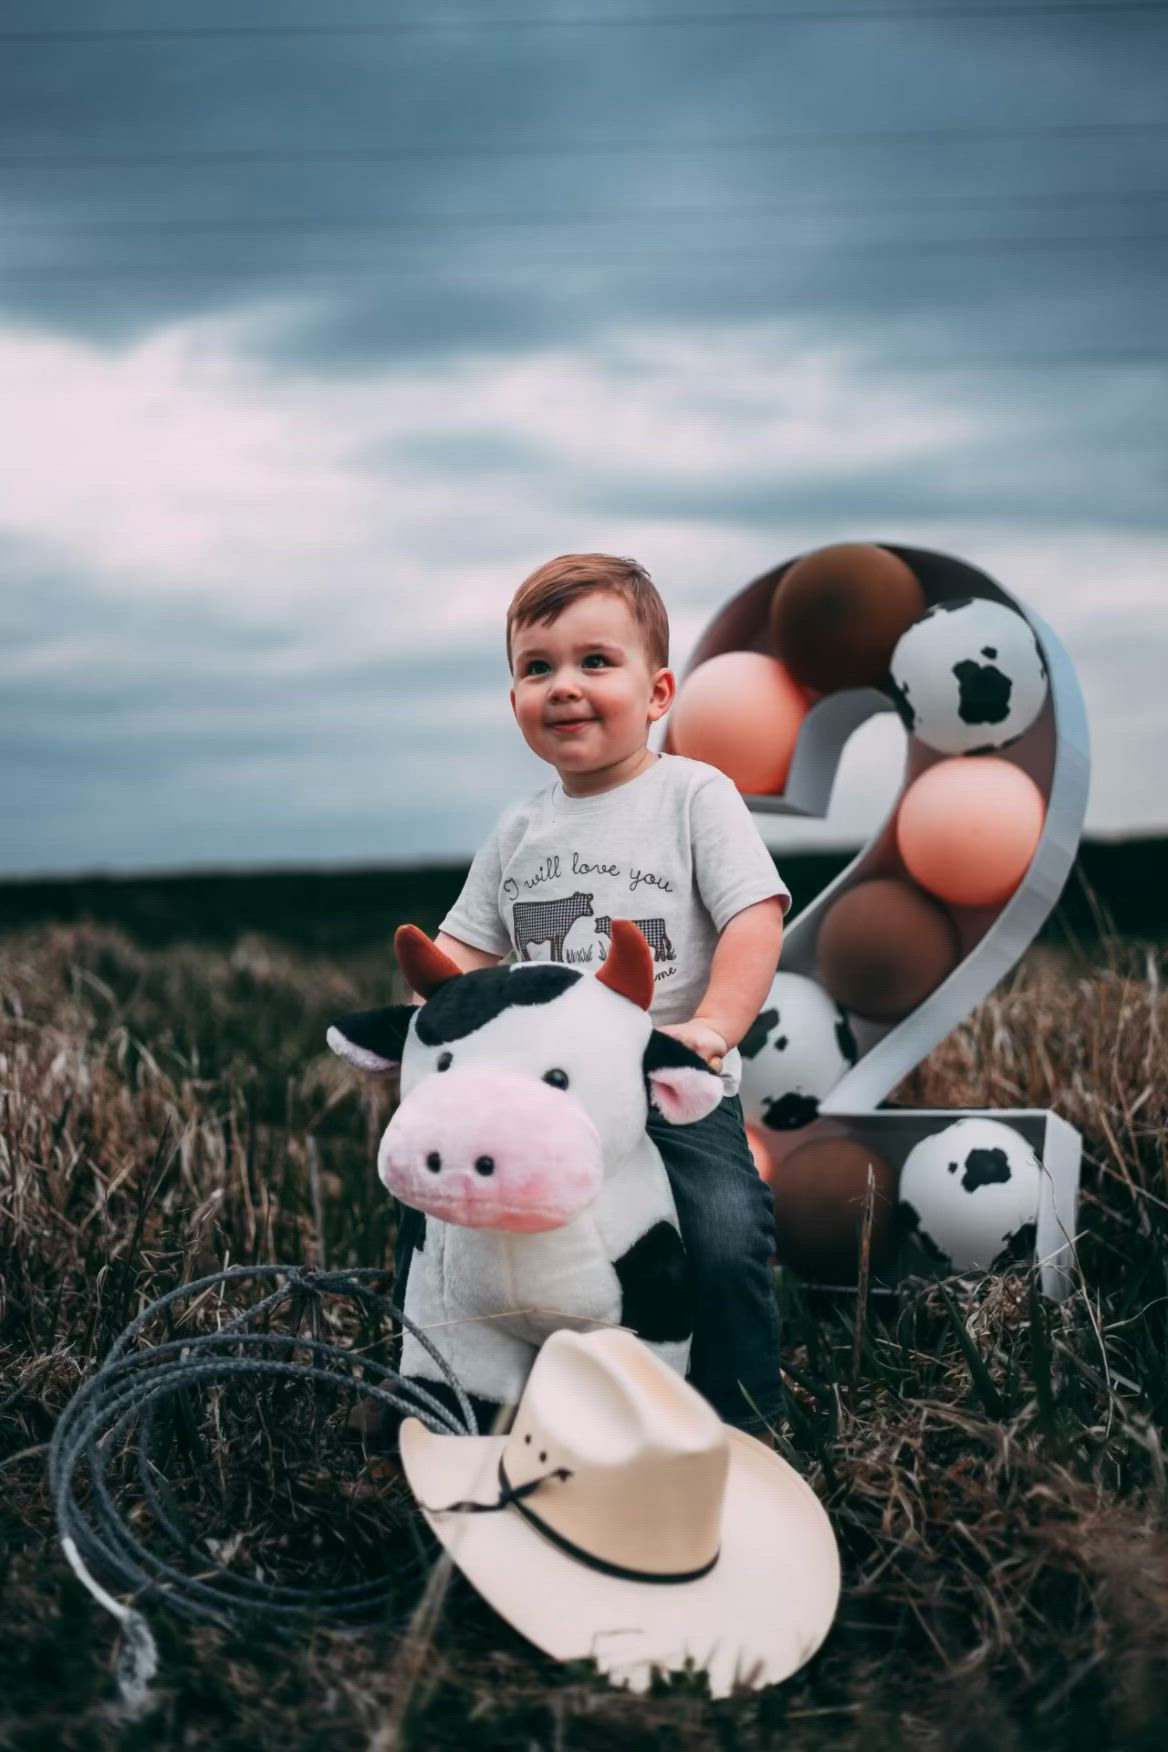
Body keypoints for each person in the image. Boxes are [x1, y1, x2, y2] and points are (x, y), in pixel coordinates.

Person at [401, 553, 791, 1436]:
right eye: (538, 668)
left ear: (658, 695)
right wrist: (433, 1006)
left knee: (726, 1232)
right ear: (515, 705)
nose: (564, 686)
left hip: (666, 1085)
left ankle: (743, 1418)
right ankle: (437, 1393)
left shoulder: (694, 796)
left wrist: (713, 1027)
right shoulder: (521, 829)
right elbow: (466, 946)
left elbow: (753, 919)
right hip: (539, 1102)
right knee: (436, 1213)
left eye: (595, 662)